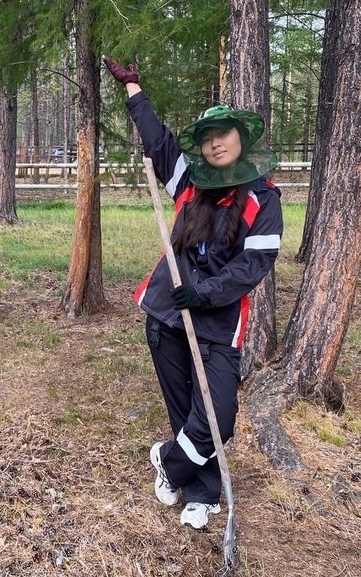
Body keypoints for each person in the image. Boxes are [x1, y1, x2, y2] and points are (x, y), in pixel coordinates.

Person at [103, 57, 283, 530]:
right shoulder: (189, 184)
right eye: (207, 138)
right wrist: (134, 89)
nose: (215, 142)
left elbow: (254, 265)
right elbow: (158, 140)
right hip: (168, 315)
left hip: (219, 321)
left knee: (218, 416)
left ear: (240, 139)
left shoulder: (264, 198)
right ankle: (202, 494)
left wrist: (203, 293)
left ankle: (168, 460)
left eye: (222, 134)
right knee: (184, 408)